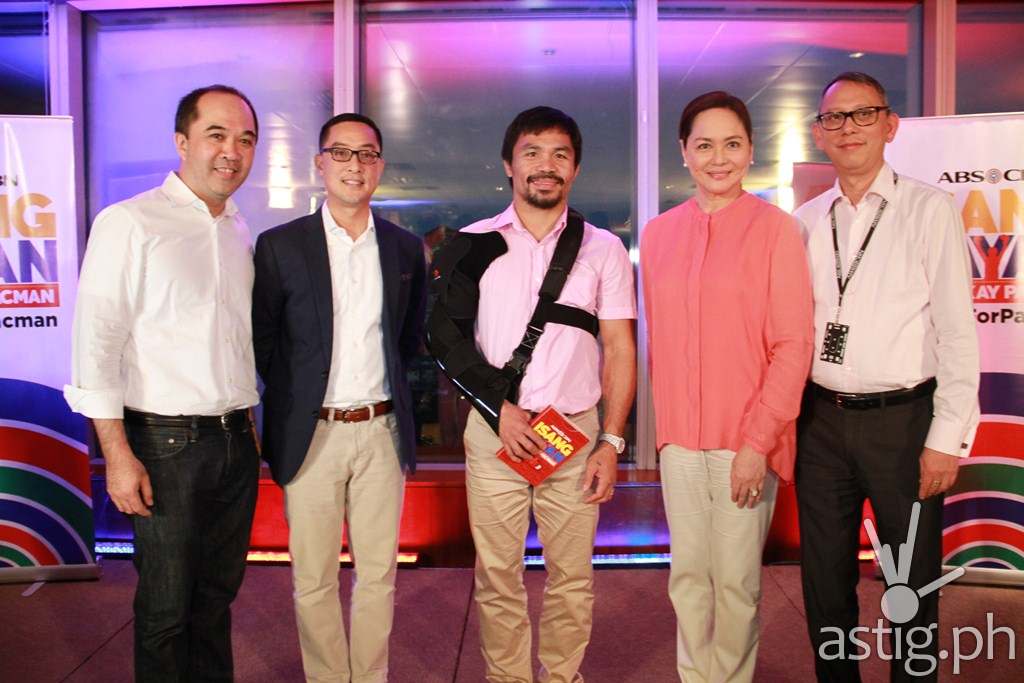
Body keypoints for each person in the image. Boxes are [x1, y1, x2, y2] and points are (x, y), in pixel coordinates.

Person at [429, 106, 636, 683]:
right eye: (532, 152)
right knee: (498, 576)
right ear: (509, 164)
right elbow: (445, 341)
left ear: (575, 168)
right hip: (496, 432)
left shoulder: (604, 250)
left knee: (573, 576)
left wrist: (611, 442)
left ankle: (563, 675)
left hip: (575, 433)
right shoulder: (470, 245)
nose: (546, 166)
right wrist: (500, 408)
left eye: (560, 154)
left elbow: (619, 349)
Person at [64, 84, 261, 681]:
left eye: (246, 139)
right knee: (165, 611)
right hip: (164, 446)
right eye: (217, 135)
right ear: (182, 142)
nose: (233, 151)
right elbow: (95, 343)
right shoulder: (129, 222)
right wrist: (117, 455)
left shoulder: (238, 230)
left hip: (234, 442)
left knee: (215, 602)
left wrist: (248, 431)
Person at [794, 72, 979, 682]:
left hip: (904, 423)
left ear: (890, 125)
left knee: (911, 585)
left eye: (862, 114)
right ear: (820, 134)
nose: (848, 128)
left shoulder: (929, 210)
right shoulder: (804, 222)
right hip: (820, 422)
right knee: (824, 583)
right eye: (834, 119)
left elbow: (956, 331)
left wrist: (945, 436)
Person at [640, 91, 814, 682]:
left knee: (737, 584)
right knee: (688, 578)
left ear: (750, 151)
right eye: (705, 145)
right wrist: (663, 439)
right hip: (680, 442)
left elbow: (792, 345)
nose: (720, 158)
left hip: (746, 440)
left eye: (732, 144)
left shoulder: (777, 231)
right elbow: (660, 343)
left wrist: (757, 443)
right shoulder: (659, 235)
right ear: (684, 153)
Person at [252, 112, 426, 683]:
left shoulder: (403, 249)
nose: (356, 166)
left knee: (379, 574)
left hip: (380, 431)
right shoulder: (279, 247)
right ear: (320, 164)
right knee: (314, 577)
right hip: (312, 433)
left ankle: (369, 677)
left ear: (381, 165)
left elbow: (406, 342)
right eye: (342, 153)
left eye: (368, 154)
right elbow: (265, 343)